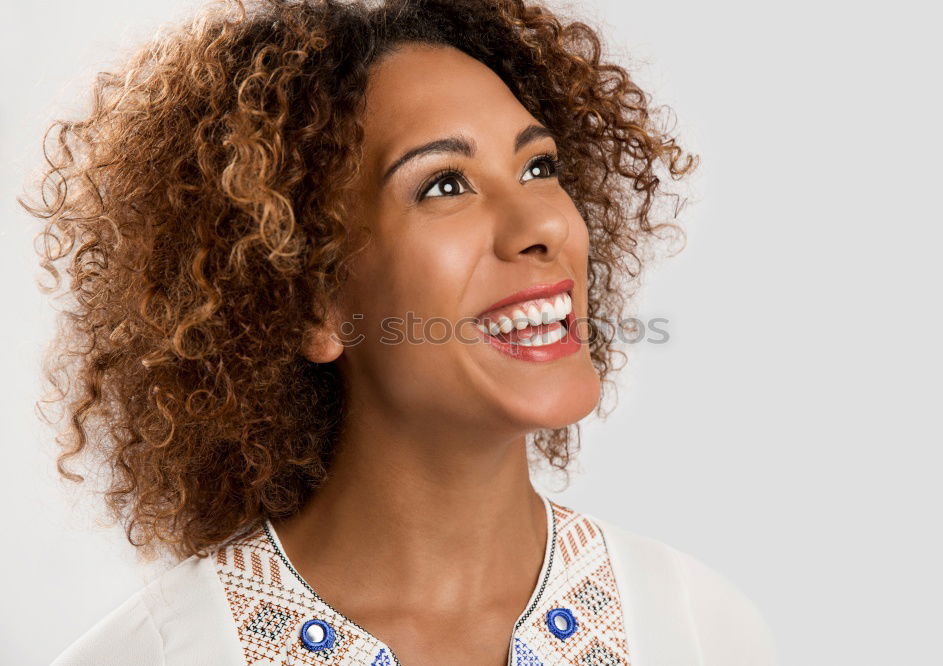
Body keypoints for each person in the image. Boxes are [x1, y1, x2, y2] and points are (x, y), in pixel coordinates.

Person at [20, 0, 776, 663]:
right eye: (445, 184)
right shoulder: (156, 656)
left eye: (540, 167)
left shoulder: (702, 630)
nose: (544, 223)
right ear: (314, 302)